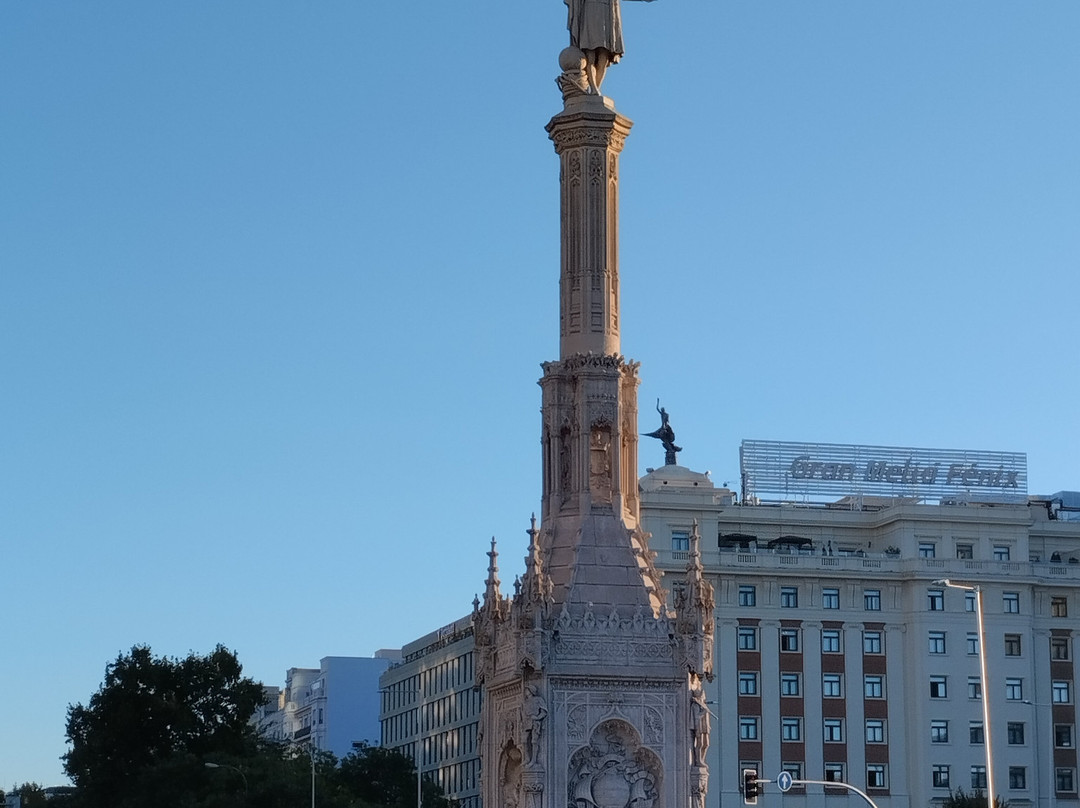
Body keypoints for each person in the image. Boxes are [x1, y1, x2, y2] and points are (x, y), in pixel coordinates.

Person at [564, 0, 655, 94]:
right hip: (589, 11)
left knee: (604, 58)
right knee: (590, 56)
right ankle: (594, 88)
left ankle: (596, 88)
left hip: (606, 13)